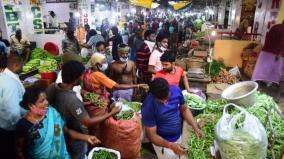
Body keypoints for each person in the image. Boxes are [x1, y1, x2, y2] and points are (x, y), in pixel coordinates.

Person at [46, 61, 121, 159]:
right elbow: (87, 122)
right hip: (74, 136)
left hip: (60, 131)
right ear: (76, 79)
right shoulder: (72, 100)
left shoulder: (52, 87)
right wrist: (111, 113)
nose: (83, 77)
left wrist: (88, 102)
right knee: (78, 155)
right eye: (82, 75)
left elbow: (67, 107)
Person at [15, 85, 100, 159]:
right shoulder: (23, 125)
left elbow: (66, 131)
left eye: (46, 99)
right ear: (30, 105)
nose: (47, 103)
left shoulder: (52, 112)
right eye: (42, 101)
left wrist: (86, 137)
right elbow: (20, 150)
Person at [141, 78, 202, 159]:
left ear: (169, 89)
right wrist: (170, 145)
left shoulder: (176, 90)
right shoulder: (148, 106)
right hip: (163, 144)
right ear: (153, 95)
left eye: (167, 98)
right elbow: (152, 136)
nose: (165, 102)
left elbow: (184, 109)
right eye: (160, 100)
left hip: (178, 136)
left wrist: (195, 127)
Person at [0, 54, 26, 159]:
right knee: (11, 153)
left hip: (3, 124)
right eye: (22, 65)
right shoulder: (10, 84)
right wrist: (20, 129)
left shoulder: (4, 77)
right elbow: (13, 112)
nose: (23, 67)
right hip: (8, 130)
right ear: (16, 65)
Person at [252, 21, 284, 101]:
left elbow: (267, 38)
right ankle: (278, 97)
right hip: (277, 55)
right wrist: (279, 54)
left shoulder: (275, 27)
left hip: (265, 52)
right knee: (281, 77)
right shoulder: (281, 29)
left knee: (259, 72)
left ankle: (254, 90)